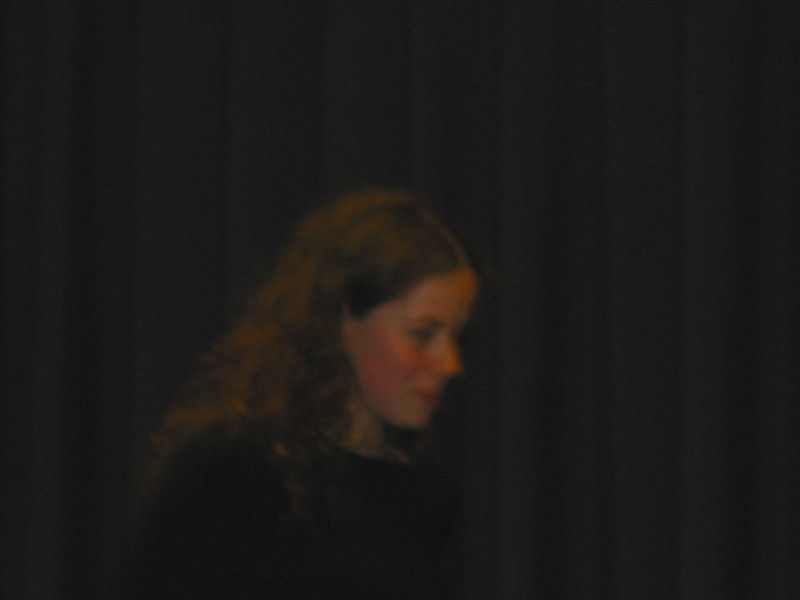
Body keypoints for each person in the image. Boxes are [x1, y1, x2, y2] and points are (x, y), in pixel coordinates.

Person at [117, 189, 480, 600]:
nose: (450, 363)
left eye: (457, 336)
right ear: (342, 321)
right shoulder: (231, 470)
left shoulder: (422, 493)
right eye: (422, 334)